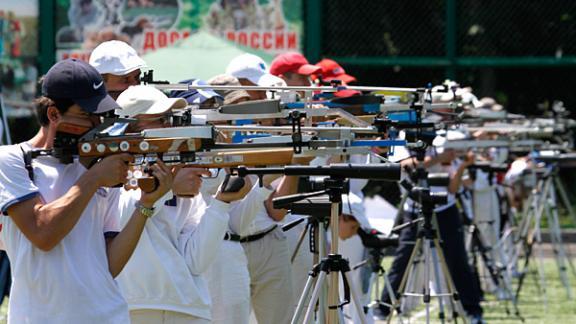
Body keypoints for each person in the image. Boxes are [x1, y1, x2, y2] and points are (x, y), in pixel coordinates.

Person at [0, 58, 173, 323]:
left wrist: (145, 204)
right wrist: (92, 179)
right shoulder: (12, 160)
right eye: (86, 115)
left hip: (108, 315)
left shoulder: (99, 162)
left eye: (100, 115)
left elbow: (110, 265)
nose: (96, 124)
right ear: (53, 114)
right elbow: (43, 233)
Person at [113, 85, 250, 323]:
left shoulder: (175, 169)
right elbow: (122, 216)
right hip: (131, 305)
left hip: (187, 307)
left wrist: (221, 203)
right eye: (161, 120)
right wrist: (169, 188)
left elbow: (196, 261)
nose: (169, 127)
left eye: (170, 119)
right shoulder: (111, 167)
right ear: (130, 126)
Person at [378, 146, 485, 323]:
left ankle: (472, 311)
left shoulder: (441, 144)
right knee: (403, 259)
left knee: (458, 260)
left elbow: (452, 188)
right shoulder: (402, 143)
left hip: (445, 209)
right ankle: (384, 308)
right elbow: (404, 167)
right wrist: (438, 158)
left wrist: (462, 165)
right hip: (414, 208)